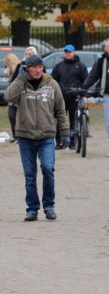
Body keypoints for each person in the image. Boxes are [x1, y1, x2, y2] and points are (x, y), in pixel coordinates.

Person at [5, 55, 69, 222]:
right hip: (25, 136)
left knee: (48, 169)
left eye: (40, 66)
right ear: (27, 69)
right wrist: (19, 78)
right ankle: (32, 209)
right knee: (30, 175)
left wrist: (65, 132)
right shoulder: (20, 84)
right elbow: (9, 97)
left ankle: (49, 206)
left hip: (46, 135)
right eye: (34, 67)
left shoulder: (52, 85)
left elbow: (60, 111)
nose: (38, 69)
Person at [51, 44, 88, 149]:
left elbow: (86, 81)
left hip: (75, 97)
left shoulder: (81, 66)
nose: (67, 53)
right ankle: (59, 142)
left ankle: (72, 142)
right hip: (61, 97)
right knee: (59, 120)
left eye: (69, 51)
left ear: (74, 52)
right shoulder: (59, 66)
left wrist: (83, 92)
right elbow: (53, 80)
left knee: (74, 120)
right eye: (66, 52)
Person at [8, 47, 39, 143]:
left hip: (33, 95)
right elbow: (13, 81)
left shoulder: (39, 66)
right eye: (26, 54)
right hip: (20, 95)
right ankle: (17, 135)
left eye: (29, 54)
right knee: (12, 115)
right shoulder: (20, 66)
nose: (27, 56)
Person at [3, 53, 21, 142]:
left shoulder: (18, 69)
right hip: (11, 98)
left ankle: (19, 136)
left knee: (17, 116)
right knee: (11, 116)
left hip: (18, 98)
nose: (7, 65)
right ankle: (15, 136)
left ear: (11, 61)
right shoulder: (10, 71)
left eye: (7, 63)